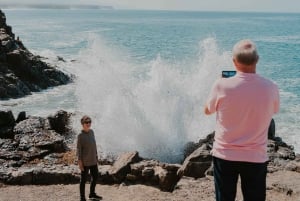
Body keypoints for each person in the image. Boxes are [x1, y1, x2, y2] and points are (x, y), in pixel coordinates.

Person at [204, 39, 280, 201]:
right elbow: (274, 110)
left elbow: (207, 111)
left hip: (225, 155)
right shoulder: (271, 86)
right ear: (257, 60)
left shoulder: (221, 85)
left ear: (234, 61)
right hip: (255, 156)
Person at [77, 115, 102, 201]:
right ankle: (82, 197)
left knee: (95, 177)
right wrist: (80, 162)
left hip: (93, 160)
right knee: (83, 180)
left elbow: (94, 146)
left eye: (89, 122)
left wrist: (96, 156)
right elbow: (79, 150)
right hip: (85, 161)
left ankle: (92, 194)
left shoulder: (92, 132)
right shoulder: (80, 136)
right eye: (86, 122)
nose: (88, 124)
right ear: (82, 124)